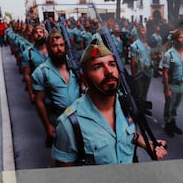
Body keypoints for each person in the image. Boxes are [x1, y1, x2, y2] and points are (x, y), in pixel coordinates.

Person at [52, 34, 167, 166]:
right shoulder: (69, 124)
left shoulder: (126, 104)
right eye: (97, 67)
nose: (108, 71)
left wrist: (144, 143)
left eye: (112, 64)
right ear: (85, 79)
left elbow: (125, 133)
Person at [31, 28, 81, 147]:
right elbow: (39, 101)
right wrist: (47, 125)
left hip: (80, 116)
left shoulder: (75, 67)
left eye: (61, 45)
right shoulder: (41, 72)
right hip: (58, 119)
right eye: (54, 46)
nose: (59, 49)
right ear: (48, 48)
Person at [162, 29, 183, 137]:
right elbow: (165, 73)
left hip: (181, 84)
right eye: (181, 37)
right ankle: (168, 125)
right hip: (172, 85)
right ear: (174, 40)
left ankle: (173, 124)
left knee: (175, 107)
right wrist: (167, 89)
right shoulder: (169, 55)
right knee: (169, 107)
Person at [21, 24, 48, 103]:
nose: (39, 34)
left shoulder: (51, 49)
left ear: (44, 34)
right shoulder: (28, 53)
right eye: (36, 33)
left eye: (41, 32)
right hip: (38, 86)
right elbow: (27, 74)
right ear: (32, 36)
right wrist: (30, 92)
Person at [129, 24, 153, 104]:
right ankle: (138, 108)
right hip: (139, 73)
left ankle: (143, 106)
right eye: (142, 30)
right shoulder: (134, 46)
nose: (144, 32)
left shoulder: (148, 44)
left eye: (145, 30)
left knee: (145, 92)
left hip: (148, 72)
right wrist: (133, 76)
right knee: (139, 92)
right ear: (139, 33)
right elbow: (132, 62)